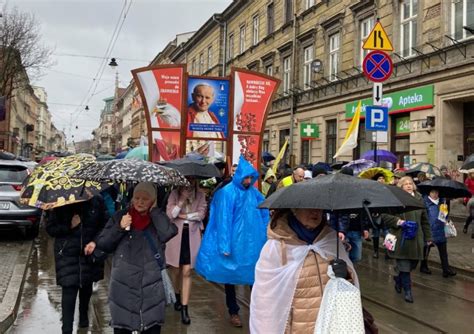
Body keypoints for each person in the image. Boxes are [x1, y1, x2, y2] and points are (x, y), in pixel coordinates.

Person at [250, 208, 358, 333]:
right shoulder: (276, 247)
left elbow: (348, 289)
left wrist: (345, 275)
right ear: (294, 210)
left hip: (331, 325)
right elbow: (265, 302)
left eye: (319, 208)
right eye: (309, 208)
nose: (315, 212)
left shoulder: (331, 240)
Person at [196, 156, 269, 327]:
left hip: (252, 244)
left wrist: (266, 235)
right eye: (246, 177)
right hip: (233, 244)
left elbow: (264, 213)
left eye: (251, 177)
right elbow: (223, 220)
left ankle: (257, 312)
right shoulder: (227, 193)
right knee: (229, 276)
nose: (248, 180)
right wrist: (224, 244)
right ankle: (233, 311)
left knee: (254, 277)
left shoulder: (255, 193)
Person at [96, 182, 178, 334]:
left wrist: (154, 212)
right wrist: (119, 227)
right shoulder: (121, 216)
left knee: (151, 327)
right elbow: (103, 243)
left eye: (145, 199)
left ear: (153, 201)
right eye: (137, 198)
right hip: (123, 284)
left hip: (151, 283)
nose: (140, 202)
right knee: (123, 327)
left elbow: (168, 233)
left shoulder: (157, 219)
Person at [45, 197, 107, 334]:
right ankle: (66, 329)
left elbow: (105, 226)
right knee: (69, 291)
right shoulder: (60, 202)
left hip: (88, 252)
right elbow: (50, 228)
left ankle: (84, 322)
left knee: (86, 288)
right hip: (67, 254)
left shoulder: (97, 201)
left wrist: (95, 242)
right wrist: (69, 225)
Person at [382, 176, 432, 303]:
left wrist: (428, 237)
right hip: (401, 239)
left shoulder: (420, 199)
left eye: (410, 183)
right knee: (404, 267)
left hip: (416, 239)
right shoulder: (394, 199)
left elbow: (425, 221)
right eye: (406, 184)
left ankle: (398, 279)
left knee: (412, 265)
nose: (409, 185)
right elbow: (385, 216)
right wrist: (398, 221)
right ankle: (408, 292)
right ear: (401, 186)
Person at [165, 178, 207, 325]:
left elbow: (201, 215)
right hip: (177, 236)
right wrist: (182, 200)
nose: (189, 184)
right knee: (176, 269)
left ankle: (185, 308)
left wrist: (183, 216)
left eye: (191, 181)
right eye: (186, 181)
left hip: (192, 236)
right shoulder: (174, 195)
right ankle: (177, 294)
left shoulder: (200, 195)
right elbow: (171, 215)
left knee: (187, 271)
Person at [421, 189, 457, 277]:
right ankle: (423, 266)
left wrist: (445, 212)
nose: (435, 194)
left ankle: (446, 269)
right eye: (433, 192)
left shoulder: (442, 202)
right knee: (426, 250)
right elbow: (423, 217)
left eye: (437, 192)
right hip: (430, 231)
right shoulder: (425, 203)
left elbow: (445, 216)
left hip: (440, 230)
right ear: (429, 193)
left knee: (443, 252)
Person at [463, 172, 474, 238]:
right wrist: (465, 198)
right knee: (472, 215)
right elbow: (466, 189)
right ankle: (466, 226)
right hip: (469, 199)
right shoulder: (468, 180)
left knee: (472, 216)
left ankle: (467, 227)